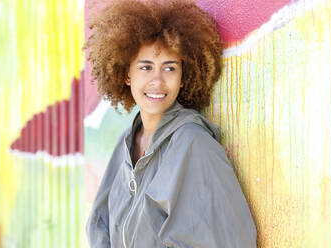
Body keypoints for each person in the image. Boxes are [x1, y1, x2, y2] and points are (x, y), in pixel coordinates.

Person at [85, 0, 257, 247]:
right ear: (126, 75)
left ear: (183, 78)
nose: (157, 81)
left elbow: (231, 240)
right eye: (145, 67)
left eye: (169, 68)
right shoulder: (126, 143)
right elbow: (100, 226)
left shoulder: (193, 144)